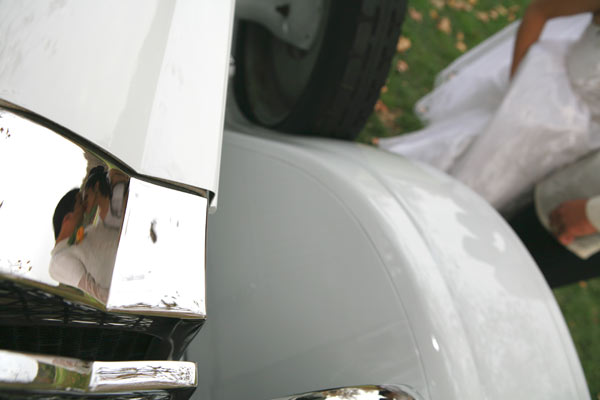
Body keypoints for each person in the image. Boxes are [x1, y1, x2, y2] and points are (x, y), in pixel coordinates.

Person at [377, 0, 600, 285]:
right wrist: (520, 89)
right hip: (532, 108)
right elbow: (541, 11)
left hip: (576, 147)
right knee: (456, 171)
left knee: (490, 208)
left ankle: (420, 263)